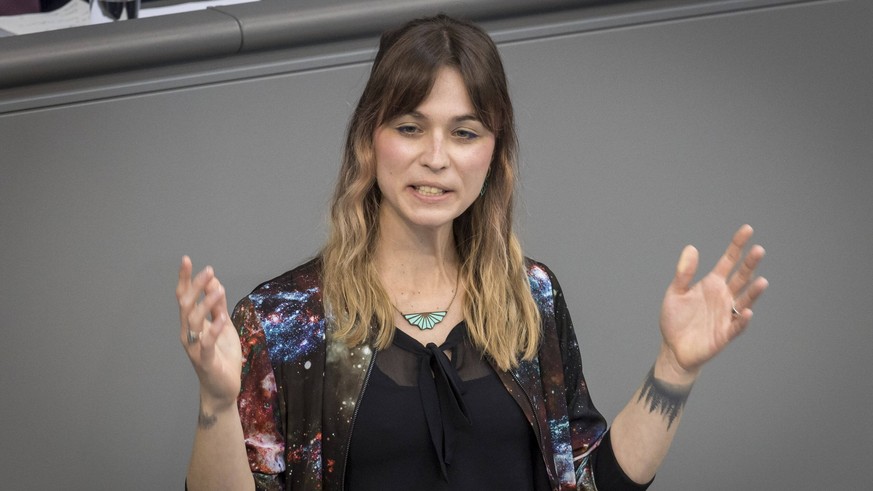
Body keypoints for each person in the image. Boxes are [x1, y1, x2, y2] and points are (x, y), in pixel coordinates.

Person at [176, 14, 767, 491]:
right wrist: (218, 404)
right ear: (368, 140)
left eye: (464, 132)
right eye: (410, 127)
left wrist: (675, 369)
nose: (437, 157)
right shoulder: (282, 319)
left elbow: (589, 481)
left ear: (493, 155)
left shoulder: (531, 296)